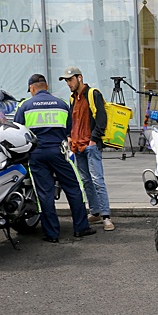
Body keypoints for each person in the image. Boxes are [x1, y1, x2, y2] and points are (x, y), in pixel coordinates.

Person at [13, 74, 96, 243]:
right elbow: (69, 130)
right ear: (47, 86)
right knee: (73, 188)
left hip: (36, 153)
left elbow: (18, 131)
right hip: (59, 151)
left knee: (44, 193)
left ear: (32, 88)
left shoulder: (25, 105)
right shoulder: (61, 104)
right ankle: (81, 228)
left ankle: (51, 234)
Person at [59, 66, 115, 231]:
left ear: (79, 78)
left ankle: (106, 216)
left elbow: (101, 119)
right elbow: (71, 119)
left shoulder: (93, 94)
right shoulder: (72, 98)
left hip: (90, 144)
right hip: (77, 145)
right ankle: (95, 211)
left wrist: (93, 140)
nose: (68, 83)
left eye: (70, 80)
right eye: (66, 80)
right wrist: (69, 136)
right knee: (86, 181)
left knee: (98, 180)